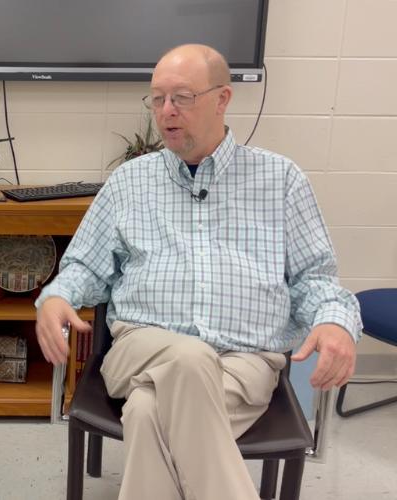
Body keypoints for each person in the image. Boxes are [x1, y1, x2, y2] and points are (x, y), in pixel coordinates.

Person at [35, 44, 362, 500]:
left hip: (244, 364)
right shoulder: (129, 182)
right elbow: (85, 265)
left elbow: (315, 278)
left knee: (147, 411)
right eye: (157, 99)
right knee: (189, 358)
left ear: (222, 98)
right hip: (139, 348)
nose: (166, 111)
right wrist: (56, 296)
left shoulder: (281, 180)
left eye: (182, 97)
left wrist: (335, 322)